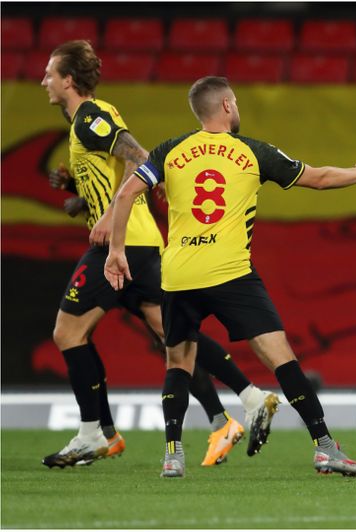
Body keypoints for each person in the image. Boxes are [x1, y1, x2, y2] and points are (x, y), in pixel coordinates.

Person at [104, 75, 356, 478]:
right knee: (283, 362)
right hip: (230, 274)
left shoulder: (170, 151)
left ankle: (173, 456)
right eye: (236, 102)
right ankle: (325, 448)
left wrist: (116, 252)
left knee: (178, 363)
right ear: (227, 106)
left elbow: (124, 195)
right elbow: (319, 178)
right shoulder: (252, 152)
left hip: (179, 274)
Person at [40, 40, 278, 469]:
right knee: (172, 334)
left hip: (123, 243)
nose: (44, 81)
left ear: (68, 80)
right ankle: (243, 403)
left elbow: (137, 156)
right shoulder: (90, 119)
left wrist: (110, 216)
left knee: (67, 333)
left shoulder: (90, 117)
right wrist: (81, 197)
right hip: (143, 241)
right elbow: (115, 170)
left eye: (50, 74)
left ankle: (96, 433)